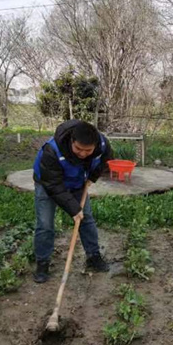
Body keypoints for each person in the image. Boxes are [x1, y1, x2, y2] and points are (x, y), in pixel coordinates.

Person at [32, 119, 113, 283]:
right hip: (48, 184)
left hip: (76, 184)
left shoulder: (102, 145)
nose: (83, 154)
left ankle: (93, 256)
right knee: (45, 224)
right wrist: (74, 209)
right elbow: (54, 186)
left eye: (87, 150)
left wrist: (92, 177)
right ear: (71, 141)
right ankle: (42, 263)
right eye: (78, 149)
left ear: (95, 144)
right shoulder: (52, 150)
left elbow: (105, 160)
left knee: (86, 219)